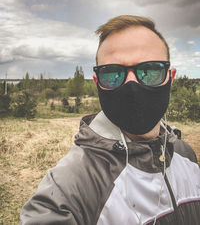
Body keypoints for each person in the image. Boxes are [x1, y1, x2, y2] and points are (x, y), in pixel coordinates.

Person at [19, 15, 200, 225]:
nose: (132, 85)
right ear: (97, 83)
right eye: (112, 73)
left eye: (150, 70)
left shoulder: (184, 153)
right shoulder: (71, 186)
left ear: (170, 77)